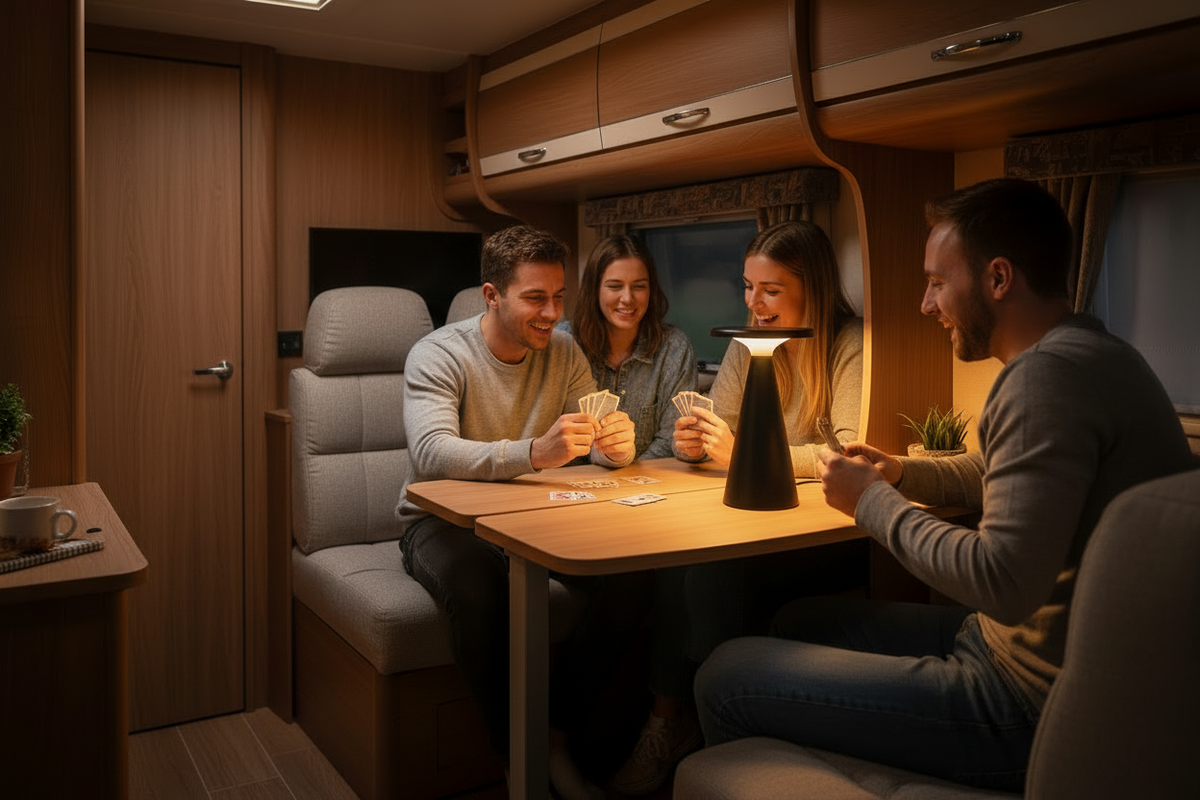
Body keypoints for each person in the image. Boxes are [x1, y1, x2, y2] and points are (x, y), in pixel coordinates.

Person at [693, 178, 1195, 791]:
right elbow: (997, 477)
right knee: (795, 618)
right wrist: (901, 472)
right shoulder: (1097, 354)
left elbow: (1001, 583)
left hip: (1023, 702)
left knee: (723, 676)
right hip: (1000, 645)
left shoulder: (1042, 380)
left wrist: (871, 502)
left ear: (998, 279)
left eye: (937, 282)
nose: (927, 305)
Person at [396, 225, 653, 800]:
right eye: (536, 298)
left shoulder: (563, 349)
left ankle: (554, 740)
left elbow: (591, 443)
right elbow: (431, 452)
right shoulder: (437, 354)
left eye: (559, 297)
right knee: (479, 588)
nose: (552, 313)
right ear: (492, 296)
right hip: (442, 522)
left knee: (632, 578)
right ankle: (519, 761)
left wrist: (614, 446)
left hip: (536, 515)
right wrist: (535, 452)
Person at [611, 220, 865, 795]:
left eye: (770, 290)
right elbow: (721, 423)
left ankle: (702, 725)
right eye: (748, 288)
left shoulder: (850, 343)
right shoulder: (748, 341)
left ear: (812, 289)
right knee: (678, 552)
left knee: (704, 568)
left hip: (828, 535)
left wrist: (749, 454)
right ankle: (674, 724)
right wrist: (696, 442)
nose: (755, 304)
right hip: (756, 515)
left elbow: (847, 453)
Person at [563, 234, 697, 460]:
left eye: (639, 286)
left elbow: (672, 441)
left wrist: (628, 482)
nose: (627, 298)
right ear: (594, 290)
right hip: (569, 485)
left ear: (651, 290)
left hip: (648, 485)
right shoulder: (564, 342)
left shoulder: (674, 349)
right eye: (614, 286)